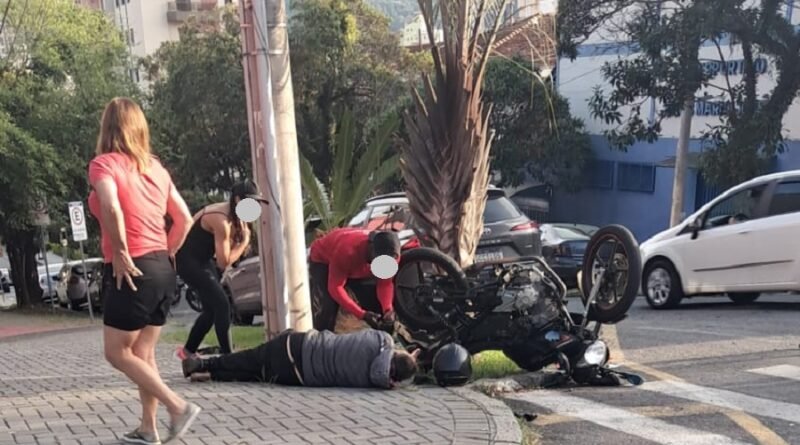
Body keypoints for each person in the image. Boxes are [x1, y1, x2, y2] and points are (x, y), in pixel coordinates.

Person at [89, 97, 201, 445]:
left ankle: (177, 406)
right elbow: (184, 218)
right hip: (162, 269)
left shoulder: (103, 164)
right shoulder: (155, 167)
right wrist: (165, 252)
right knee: (143, 353)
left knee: (116, 352)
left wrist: (122, 253)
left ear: (107, 128)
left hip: (131, 268)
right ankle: (148, 428)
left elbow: (110, 204)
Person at [174, 180, 266, 359]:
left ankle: (187, 351)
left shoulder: (234, 216)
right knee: (223, 305)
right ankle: (228, 357)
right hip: (187, 260)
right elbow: (224, 262)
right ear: (238, 200)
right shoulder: (221, 220)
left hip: (202, 259)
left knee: (211, 309)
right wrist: (243, 243)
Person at [181, 328, 420, 389]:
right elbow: (385, 373)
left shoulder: (381, 339)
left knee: (249, 358)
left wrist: (405, 354)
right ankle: (211, 375)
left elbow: (389, 350)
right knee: (256, 374)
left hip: (299, 346)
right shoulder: (374, 383)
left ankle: (203, 363)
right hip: (298, 376)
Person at [307, 228, 401, 332]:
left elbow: (385, 285)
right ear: (371, 249)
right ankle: (321, 340)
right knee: (329, 307)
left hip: (355, 267)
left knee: (375, 305)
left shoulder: (392, 256)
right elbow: (335, 288)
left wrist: (387, 309)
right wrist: (362, 314)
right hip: (323, 260)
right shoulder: (347, 252)